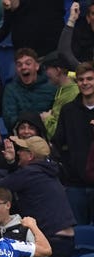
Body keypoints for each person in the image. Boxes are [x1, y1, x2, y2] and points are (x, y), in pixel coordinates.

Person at [51, 60, 94, 226]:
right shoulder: (68, 110)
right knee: (78, 234)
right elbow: (57, 143)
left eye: (89, 79)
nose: (85, 83)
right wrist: (66, 171)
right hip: (75, 184)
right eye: (81, 79)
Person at [2, 48, 57, 131]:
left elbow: (57, 116)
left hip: (47, 133)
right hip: (21, 135)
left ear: (37, 66)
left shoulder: (51, 87)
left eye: (28, 63)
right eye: (19, 65)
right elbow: (9, 120)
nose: (23, 67)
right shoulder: (11, 89)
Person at [40, 51, 79, 139]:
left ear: (58, 70)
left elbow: (57, 132)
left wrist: (46, 119)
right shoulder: (63, 91)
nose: (46, 73)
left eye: (47, 69)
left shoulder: (72, 94)